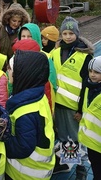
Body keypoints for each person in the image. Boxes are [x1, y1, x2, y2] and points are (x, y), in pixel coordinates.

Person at [52, 16, 94, 179]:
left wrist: (80, 110)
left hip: (72, 107)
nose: (68, 36)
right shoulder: (55, 53)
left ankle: (81, 168)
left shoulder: (85, 56)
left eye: (71, 33)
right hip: (57, 105)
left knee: (74, 139)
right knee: (64, 138)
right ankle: (70, 165)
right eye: (65, 33)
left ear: (77, 34)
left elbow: (86, 87)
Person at [5, 50, 55, 180]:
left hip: (25, 174)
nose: (7, 72)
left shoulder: (26, 111)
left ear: (22, 74)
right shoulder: (37, 94)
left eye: (10, 69)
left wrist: (1, 139)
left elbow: (22, 148)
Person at [15, 23, 57, 113]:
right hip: (19, 100)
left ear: (36, 37)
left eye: (29, 36)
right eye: (23, 36)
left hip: (39, 100)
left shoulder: (45, 57)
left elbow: (51, 82)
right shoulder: (16, 56)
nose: (26, 39)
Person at [78, 56, 101, 180]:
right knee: (96, 168)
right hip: (91, 142)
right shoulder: (89, 86)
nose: (92, 75)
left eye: (97, 72)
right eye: (90, 71)